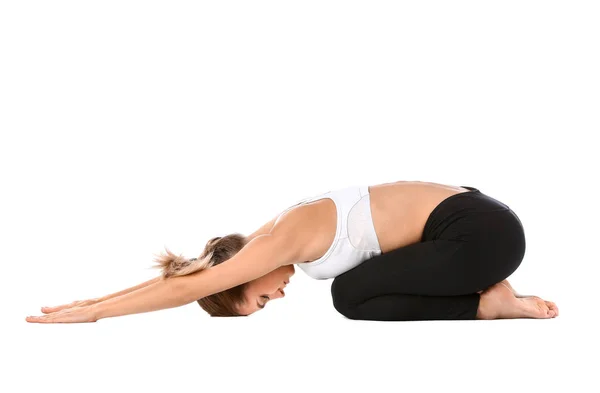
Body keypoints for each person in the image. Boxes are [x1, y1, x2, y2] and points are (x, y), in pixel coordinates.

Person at [25, 180, 558, 323]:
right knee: (353, 295)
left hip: (481, 236)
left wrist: (93, 313)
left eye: (257, 301)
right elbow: (187, 277)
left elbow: (190, 287)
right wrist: (88, 300)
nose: (274, 297)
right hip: (479, 222)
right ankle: (483, 297)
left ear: (241, 275)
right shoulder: (271, 233)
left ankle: (491, 303)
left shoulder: (280, 242)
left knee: (349, 295)